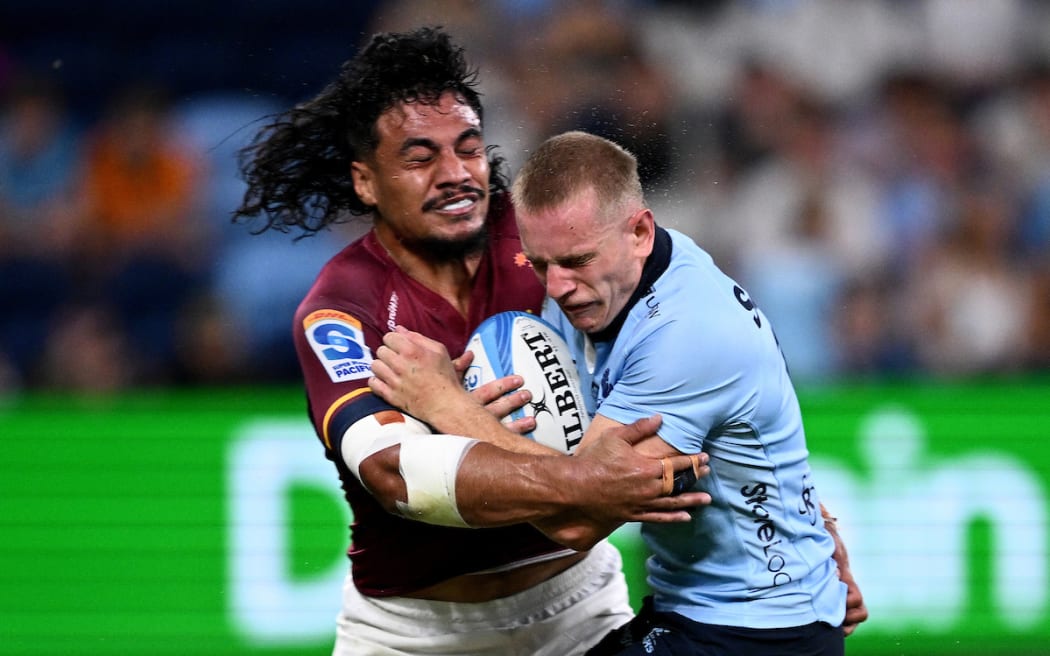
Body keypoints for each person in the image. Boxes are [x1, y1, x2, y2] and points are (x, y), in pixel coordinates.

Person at [232, 27, 710, 656]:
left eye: (469, 148)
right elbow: (394, 475)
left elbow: (701, 355)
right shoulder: (342, 309)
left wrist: (801, 526)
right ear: (366, 181)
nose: (455, 174)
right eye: (419, 157)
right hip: (412, 635)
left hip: (581, 608)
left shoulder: (543, 236)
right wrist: (588, 483)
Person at [370, 130, 869, 654]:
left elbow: (578, 519)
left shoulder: (685, 331)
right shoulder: (614, 283)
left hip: (758, 632)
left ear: (640, 232)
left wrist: (445, 406)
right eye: (541, 265)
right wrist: (816, 531)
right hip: (706, 612)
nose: (557, 287)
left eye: (577, 261)